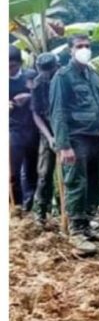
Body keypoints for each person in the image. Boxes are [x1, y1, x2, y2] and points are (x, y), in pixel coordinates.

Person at [50, 34, 99, 255]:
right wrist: (64, 145)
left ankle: (87, 224)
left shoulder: (93, 75)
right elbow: (58, 113)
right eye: (79, 46)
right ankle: (76, 231)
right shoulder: (63, 77)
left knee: (94, 181)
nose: (84, 49)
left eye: (87, 46)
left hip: (94, 136)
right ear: (70, 50)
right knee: (76, 182)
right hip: (76, 137)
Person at [9, 45, 40, 214]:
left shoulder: (30, 76)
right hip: (12, 130)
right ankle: (15, 206)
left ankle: (29, 206)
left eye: (12, 67)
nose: (9, 71)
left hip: (33, 128)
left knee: (32, 170)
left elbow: (43, 95)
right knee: (12, 171)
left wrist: (28, 97)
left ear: (20, 63)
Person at [31, 52, 61, 225]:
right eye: (42, 71)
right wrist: (49, 137)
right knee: (44, 172)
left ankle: (73, 214)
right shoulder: (37, 84)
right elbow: (36, 114)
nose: (46, 75)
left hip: (69, 131)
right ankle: (42, 212)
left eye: (49, 71)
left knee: (70, 174)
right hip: (47, 132)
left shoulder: (65, 79)